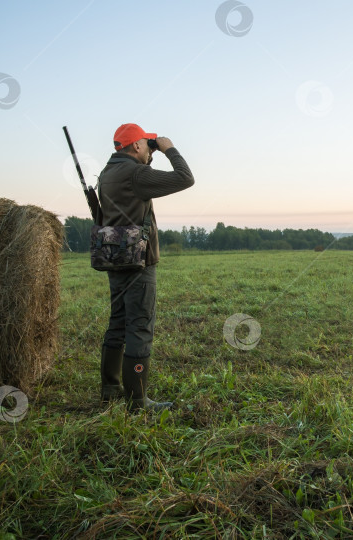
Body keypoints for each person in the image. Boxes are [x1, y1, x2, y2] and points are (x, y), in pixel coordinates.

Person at [97, 123, 194, 415]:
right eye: (146, 144)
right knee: (140, 326)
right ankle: (138, 401)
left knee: (118, 323)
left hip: (114, 256)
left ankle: (110, 389)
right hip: (139, 260)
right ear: (136, 146)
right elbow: (185, 178)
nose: (149, 150)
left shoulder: (107, 173)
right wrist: (168, 148)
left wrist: (151, 152)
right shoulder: (136, 173)